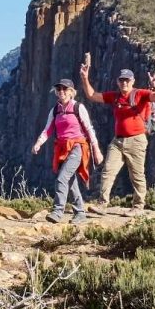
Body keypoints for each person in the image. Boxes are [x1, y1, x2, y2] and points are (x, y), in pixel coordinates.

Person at [80, 55, 155, 210]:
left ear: (132, 81)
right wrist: (85, 78)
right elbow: (92, 95)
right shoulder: (114, 97)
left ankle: (138, 206)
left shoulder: (140, 94)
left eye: (127, 80)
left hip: (136, 140)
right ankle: (102, 203)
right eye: (122, 80)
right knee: (107, 171)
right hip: (118, 141)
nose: (124, 82)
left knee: (137, 175)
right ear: (118, 82)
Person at [31, 79, 102, 223]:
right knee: (70, 181)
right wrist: (38, 143)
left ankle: (58, 211)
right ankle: (80, 212)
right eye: (59, 89)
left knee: (62, 178)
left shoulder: (78, 107)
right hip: (62, 148)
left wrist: (96, 149)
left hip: (77, 147)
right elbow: (48, 130)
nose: (61, 92)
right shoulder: (55, 110)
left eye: (65, 89)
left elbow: (89, 129)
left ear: (71, 92)